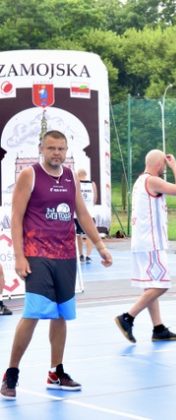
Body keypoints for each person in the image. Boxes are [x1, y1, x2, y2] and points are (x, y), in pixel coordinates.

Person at [1, 130, 113, 400]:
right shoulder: (30, 175)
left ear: (66, 150)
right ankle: (11, 373)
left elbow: (83, 215)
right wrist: (19, 255)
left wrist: (100, 246)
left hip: (66, 256)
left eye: (61, 148)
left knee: (61, 315)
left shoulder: (70, 177)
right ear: (42, 148)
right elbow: (16, 217)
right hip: (37, 255)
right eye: (51, 148)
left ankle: (55, 371)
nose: (56, 153)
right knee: (34, 312)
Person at [114, 150, 176, 344]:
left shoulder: (140, 181)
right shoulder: (151, 181)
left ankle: (158, 327)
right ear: (160, 165)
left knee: (151, 285)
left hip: (142, 242)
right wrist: (175, 167)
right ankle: (127, 317)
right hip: (151, 243)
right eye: (164, 165)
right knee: (161, 284)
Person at [74, 168, 97, 263]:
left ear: (77, 175)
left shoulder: (76, 184)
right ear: (86, 174)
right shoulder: (92, 184)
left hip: (77, 214)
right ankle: (88, 255)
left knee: (78, 235)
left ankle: (80, 255)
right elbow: (95, 198)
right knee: (89, 235)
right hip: (89, 213)